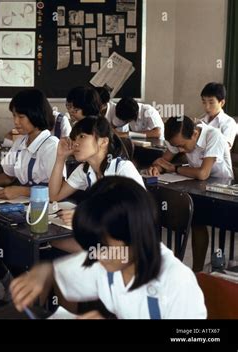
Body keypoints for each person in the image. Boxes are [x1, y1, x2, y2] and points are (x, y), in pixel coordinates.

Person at [10, 176, 207, 319]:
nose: (95, 255)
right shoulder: (110, 259)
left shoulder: (176, 282)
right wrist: (44, 273)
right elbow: (63, 271)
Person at [147, 116, 233, 272]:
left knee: (198, 215)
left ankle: (201, 271)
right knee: (196, 219)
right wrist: (157, 168)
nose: (179, 151)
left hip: (222, 192)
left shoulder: (214, 136)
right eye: (176, 147)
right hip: (197, 187)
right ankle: (197, 270)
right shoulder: (180, 136)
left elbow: (202, 173)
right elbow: (163, 159)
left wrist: (173, 168)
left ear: (194, 134)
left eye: (182, 146)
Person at [48, 116, 144, 252]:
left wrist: (86, 216)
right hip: (104, 236)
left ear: (103, 142)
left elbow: (137, 212)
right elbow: (54, 195)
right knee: (53, 242)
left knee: (58, 246)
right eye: (74, 138)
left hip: (129, 241)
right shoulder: (85, 169)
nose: (75, 143)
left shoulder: (122, 168)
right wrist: (60, 158)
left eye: (82, 136)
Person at [0, 89, 61, 200]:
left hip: (45, 206)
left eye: (21, 117)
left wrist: (22, 191)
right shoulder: (20, 142)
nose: (15, 121)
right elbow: (8, 176)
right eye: (14, 115)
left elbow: (58, 189)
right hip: (24, 204)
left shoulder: (51, 146)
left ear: (36, 115)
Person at [200, 82, 237, 149]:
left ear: (222, 103)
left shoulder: (229, 123)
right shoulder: (201, 120)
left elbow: (224, 148)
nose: (207, 107)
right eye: (204, 102)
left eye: (211, 102)